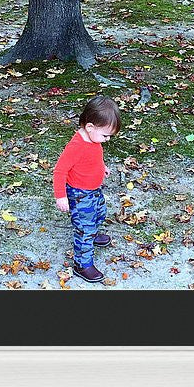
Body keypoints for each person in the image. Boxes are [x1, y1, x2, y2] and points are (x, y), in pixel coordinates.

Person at [52, 95, 122, 283]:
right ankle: (82, 264)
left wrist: (102, 167)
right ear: (90, 127)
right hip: (80, 194)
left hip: (94, 190)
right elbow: (60, 171)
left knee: (100, 213)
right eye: (105, 135)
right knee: (84, 228)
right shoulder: (76, 146)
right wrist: (61, 196)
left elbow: (95, 157)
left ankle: (93, 233)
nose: (107, 140)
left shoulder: (94, 139)